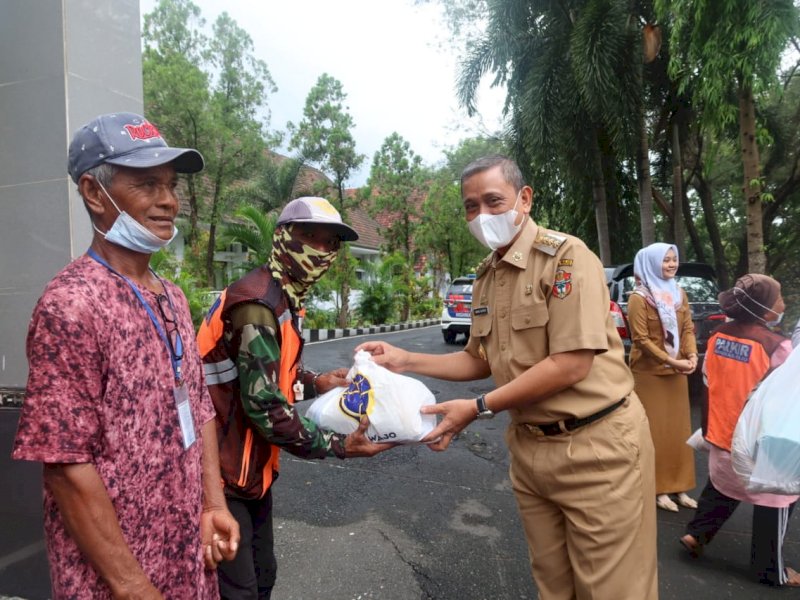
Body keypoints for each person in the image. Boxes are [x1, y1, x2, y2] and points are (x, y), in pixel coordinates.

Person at [357, 155, 658, 599]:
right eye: (471, 206)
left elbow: (572, 363)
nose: (482, 215)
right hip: (530, 447)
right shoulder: (487, 275)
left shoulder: (566, 257)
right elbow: (478, 359)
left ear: (524, 199)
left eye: (493, 201)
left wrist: (478, 408)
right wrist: (404, 360)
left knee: (613, 590)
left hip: (597, 446)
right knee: (553, 584)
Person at [12, 112, 240, 599]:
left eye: (171, 185)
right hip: (116, 579)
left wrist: (211, 505)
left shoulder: (171, 296)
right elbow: (66, 466)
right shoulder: (71, 305)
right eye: (147, 184)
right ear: (94, 193)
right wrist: (133, 587)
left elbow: (198, 407)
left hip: (188, 555)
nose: (169, 201)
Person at [196, 196, 394, 600]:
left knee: (263, 578)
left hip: (251, 472)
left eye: (330, 243)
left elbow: (266, 373)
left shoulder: (280, 297)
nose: (320, 250)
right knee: (238, 592)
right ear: (282, 237)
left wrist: (316, 382)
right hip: (220, 476)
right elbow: (265, 408)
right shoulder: (256, 305)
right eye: (309, 236)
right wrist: (339, 445)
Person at [680, 274, 798, 586]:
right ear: (763, 308)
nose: (782, 304)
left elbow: (708, 378)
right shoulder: (778, 347)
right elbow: (787, 397)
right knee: (776, 499)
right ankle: (770, 569)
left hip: (721, 431)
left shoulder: (719, 335)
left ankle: (696, 535)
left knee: (722, 486)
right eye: (778, 298)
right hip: (760, 442)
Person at [628, 243, 698, 513]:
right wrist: (672, 361)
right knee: (654, 432)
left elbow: (688, 328)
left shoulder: (678, 293)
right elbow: (641, 339)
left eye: (674, 259)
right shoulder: (639, 298)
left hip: (676, 372)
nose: (671, 264)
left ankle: (680, 486)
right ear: (651, 263)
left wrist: (691, 355)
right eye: (665, 260)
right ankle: (657, 488)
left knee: (679, 431)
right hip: (649, 374)